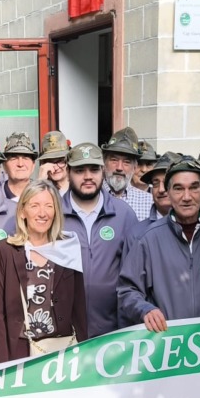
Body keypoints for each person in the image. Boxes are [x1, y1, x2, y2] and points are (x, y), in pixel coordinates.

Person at [118, 155, 200, 330]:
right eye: (178, 189)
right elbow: (127, 290)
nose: (186, 197)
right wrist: (145, 310)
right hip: (165, 343)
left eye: (194, 188)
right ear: (169, 193)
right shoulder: (148, 239)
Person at [33, 141, 143, 337]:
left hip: (113, 330)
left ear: (102, 171)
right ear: (68, 172)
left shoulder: (123, 214)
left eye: (94, 169)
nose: (87, 177)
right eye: (79, 170)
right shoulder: (53, 212)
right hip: (64, 333)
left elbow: (135, 276)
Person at [0, 180, 87, 362]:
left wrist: (82, 353)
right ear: (22, 211)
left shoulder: (67, 248)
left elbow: (79, 307)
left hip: (63, 349)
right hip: (20, 350)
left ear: (56, 211)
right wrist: (2, 363)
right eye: (34, 205)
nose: (42, 213)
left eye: (48, 206)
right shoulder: (6, 250)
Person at [102, 128, 154, 221]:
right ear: (104, 163)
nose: (119, 168)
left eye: (126, 162)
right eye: (114, 160)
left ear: (134, 167)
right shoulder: (92, 196)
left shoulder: (149, 202)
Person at [0, 132, 38, 202]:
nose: (20, 164)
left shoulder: (43, 196)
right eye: (14, 158)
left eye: (25, 158)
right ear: (4, 165)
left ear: (33, 165)